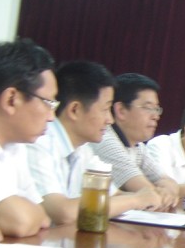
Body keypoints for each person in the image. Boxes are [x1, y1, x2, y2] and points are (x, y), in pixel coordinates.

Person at [25, 61, 163, 225]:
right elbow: (63, 212)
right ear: (75, 110)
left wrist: (146, 196)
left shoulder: (83, 149)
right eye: (105, 109)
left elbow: (113, 195)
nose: (110, 120)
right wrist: (137, 200)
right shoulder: (40, 142)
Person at [0, 38, 54, 237]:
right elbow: (20, 221)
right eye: (48, 103)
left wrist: (30, 214)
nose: (51, 117)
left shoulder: (14, 146)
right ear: (11, 99)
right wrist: (27, 214)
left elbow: (43, 217)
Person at [89, 73, 178, 210]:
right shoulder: (105, 139)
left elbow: (168, 181)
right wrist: (162, 195)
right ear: (121, 110)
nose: (156, 116)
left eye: (156, 109)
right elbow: (147, 194)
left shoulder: (138, 146)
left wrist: (167, 191)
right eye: (148, 108)